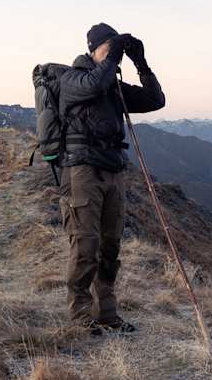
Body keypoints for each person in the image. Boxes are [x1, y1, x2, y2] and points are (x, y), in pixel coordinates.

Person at [58, 23, 166, 334]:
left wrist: (141, 64)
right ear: (93, 50)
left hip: (113, 169)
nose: (114, 54)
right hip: (82, 170)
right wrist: (112, 56)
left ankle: (106, 312)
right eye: (108, 47)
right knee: (85, 243)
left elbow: (154, 100)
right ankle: (79, 314)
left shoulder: (112, 87)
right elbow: (93, 84)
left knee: (110, 245)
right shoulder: (73, 78)